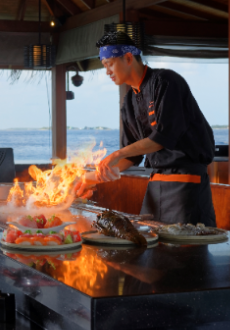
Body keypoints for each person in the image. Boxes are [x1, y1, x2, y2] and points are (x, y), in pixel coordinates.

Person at [75, 37, 216, 226]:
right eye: (104, 66)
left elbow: (162, 138)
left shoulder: (166, 82)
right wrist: (90, 179)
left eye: (109, 64)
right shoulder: (128, 102)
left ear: (127, 58)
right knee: (149, 250)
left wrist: (117, 154)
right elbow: (131, 157)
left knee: (187, 252)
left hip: (186, 186)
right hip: (154, 187)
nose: (107, 72)